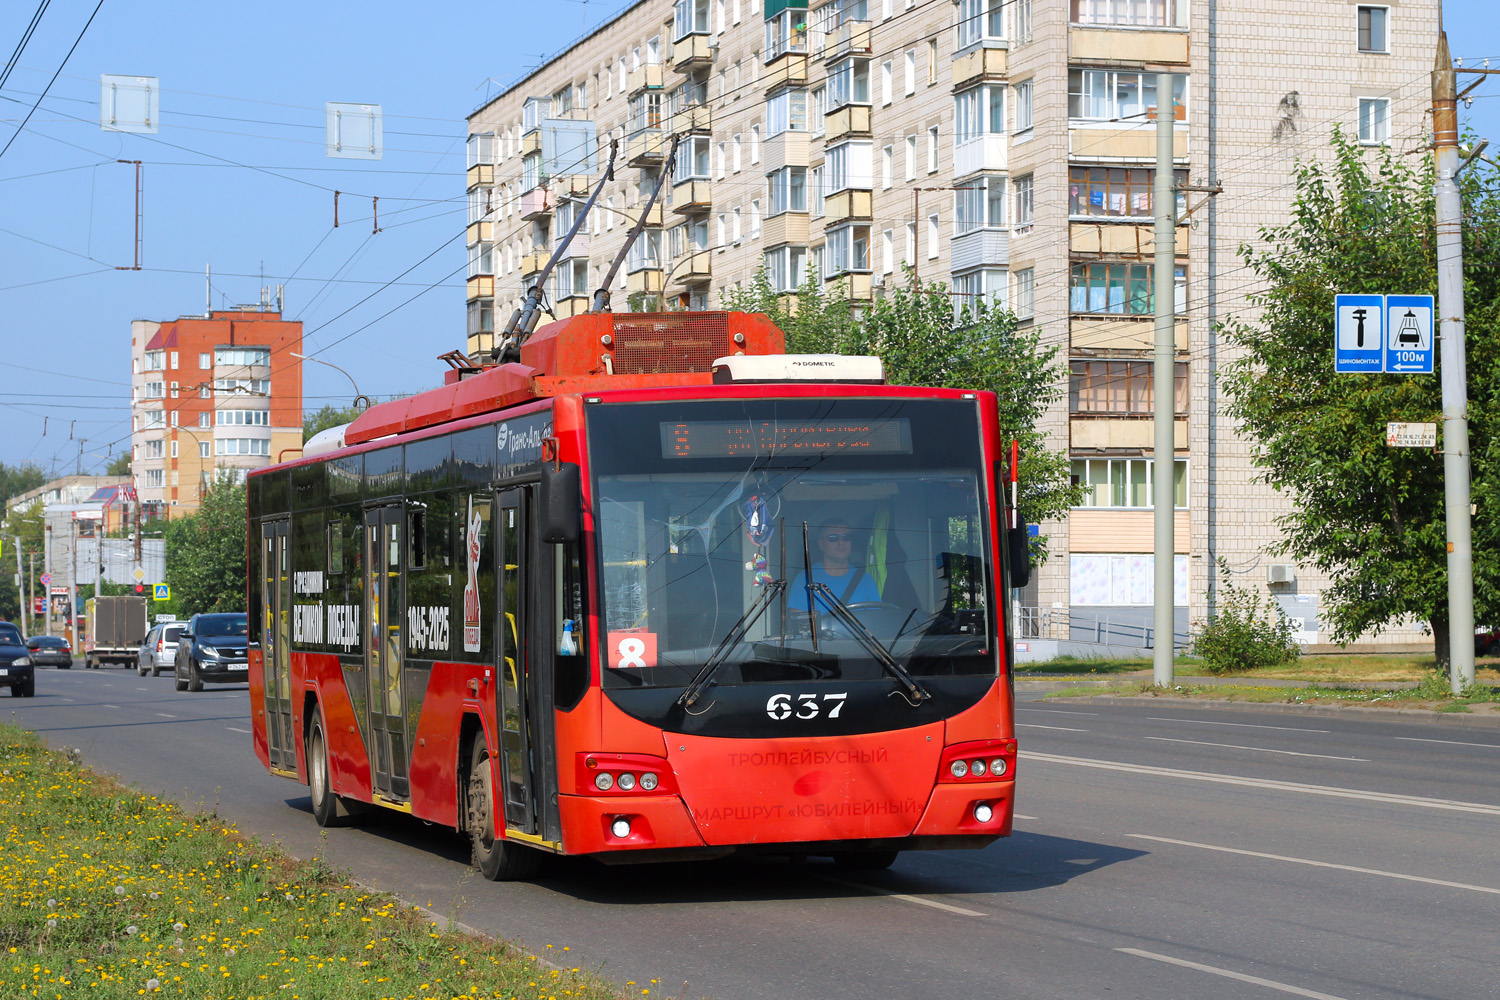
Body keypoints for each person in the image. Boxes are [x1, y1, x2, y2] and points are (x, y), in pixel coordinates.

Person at [791, 519, 881, 614]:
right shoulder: (806, 579)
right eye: (833, 538)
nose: (841, 542)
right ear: (821, 544)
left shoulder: (865, 580)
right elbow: (798, 622)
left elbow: (876, 621)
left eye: (846, 537)